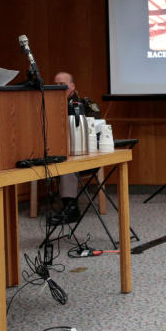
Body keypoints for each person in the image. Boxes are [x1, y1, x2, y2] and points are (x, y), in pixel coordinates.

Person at [50, 71, 101, 224]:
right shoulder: (48, 106)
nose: (59, 88)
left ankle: (71, 208)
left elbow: (96, 126)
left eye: (62, 84)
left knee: (68, 161)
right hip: (55, 155)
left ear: (72, 86)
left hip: (84, 157)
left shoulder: (84, 104)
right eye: (56, 85)